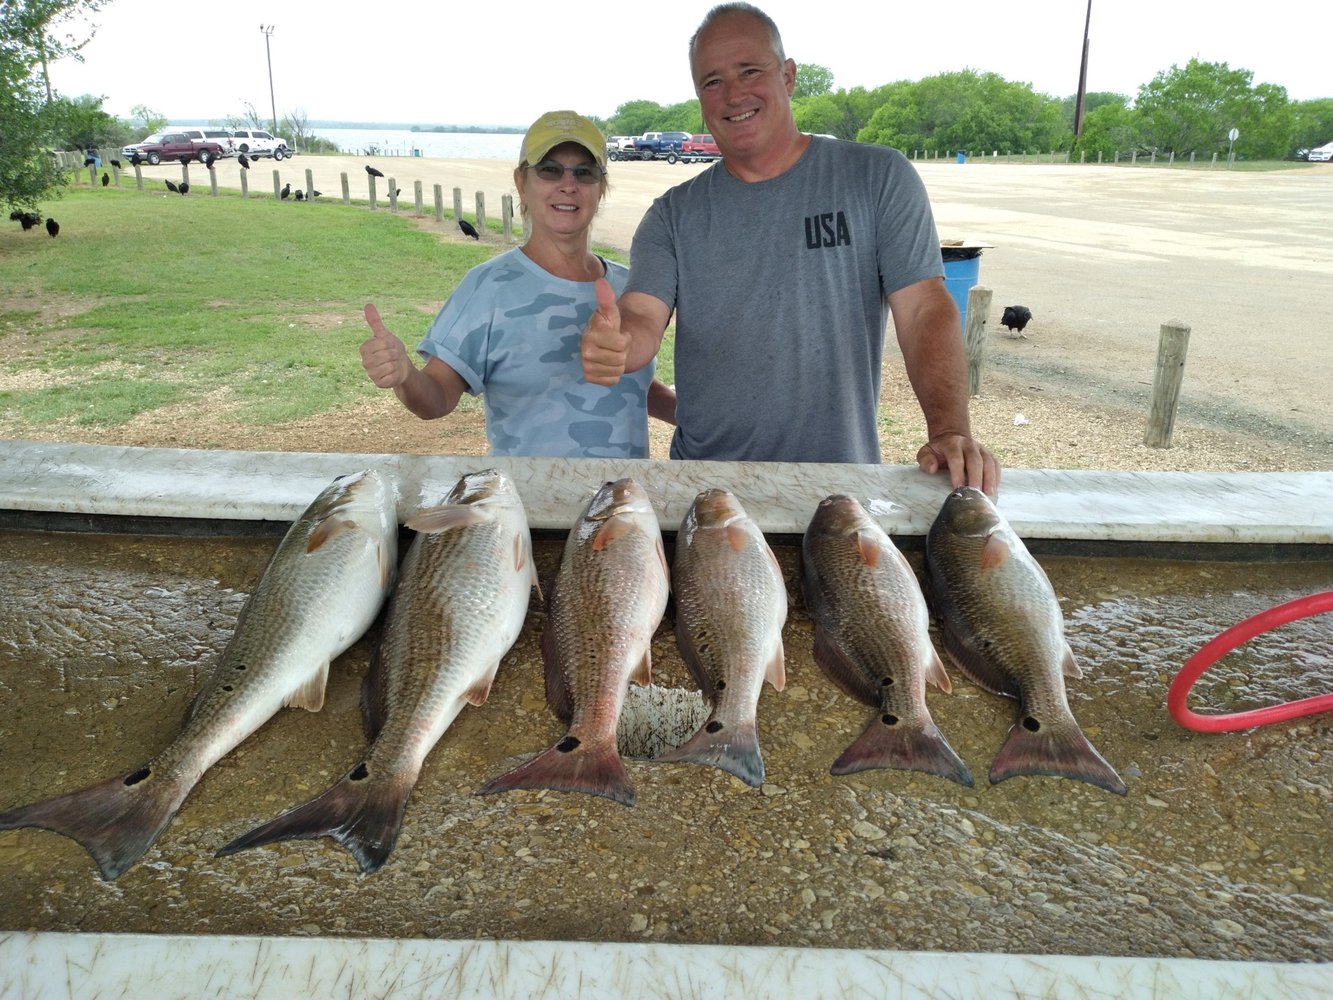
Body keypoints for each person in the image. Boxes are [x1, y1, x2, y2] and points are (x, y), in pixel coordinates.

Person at [580, 2, 999, 495]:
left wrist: (949, 430)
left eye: (750, 71)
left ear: (789, 76)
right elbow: (642, 317)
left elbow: (925, 308)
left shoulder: (877, 177)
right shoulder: (672, 214)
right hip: (708, 491)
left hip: (839, 487)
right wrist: (619, 344)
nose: (733, 94)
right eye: (711, 82)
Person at [360, 110, 676, 458]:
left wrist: (697, 416)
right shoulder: (489, 287)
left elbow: (630, 388)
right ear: (521, 183)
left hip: (623, 505)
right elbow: (436, 397)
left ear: (601, 188)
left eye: (584, 172)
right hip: (527, 506)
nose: (567, 184)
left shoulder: (633, 289)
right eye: (549, 169)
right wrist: (405, 375)